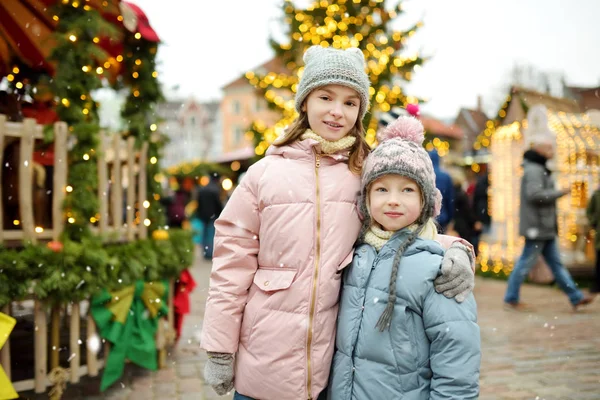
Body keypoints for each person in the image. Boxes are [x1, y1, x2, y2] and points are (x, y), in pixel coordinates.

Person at [200, 45, 475, 400]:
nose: (336, 111)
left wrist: (456, 250)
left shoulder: (364, 174)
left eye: (350, 102)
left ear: (360, 110)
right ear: (305, 102)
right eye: (326, 97)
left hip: (329, 372)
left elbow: (403, 226)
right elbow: (230, 267)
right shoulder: (263, 175)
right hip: (263, 363)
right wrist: (220, 348)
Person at [328, 116, 480, 399]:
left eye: (407, 189)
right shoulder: (354, 253)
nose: (393, 200)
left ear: (426, 201)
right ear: (366, 199)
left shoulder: (439, 267)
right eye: (382, 189)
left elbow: (456, 350)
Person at [504, 135, 594, 311]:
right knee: (525, 263)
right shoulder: (535, 170)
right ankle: (511, 297)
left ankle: (575, 297)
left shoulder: (536, 167)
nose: (552, 152)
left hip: (542, 228)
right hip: (537, 228)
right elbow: (534, 195)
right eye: (549, 148)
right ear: (539, 150)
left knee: (554, 264)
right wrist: (560, 192)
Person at [194, 173, 223, 259]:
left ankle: (205, 251)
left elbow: (198, 203)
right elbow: (218, 204)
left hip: (203, 215)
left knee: (204, 234)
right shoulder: (215, 190)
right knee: (210, 235)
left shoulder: (202, 189)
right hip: (212, 215)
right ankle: (209, 253)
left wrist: (199, 213)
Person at [428, 149, 454, 233]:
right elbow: (450, 199)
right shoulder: (446, 176)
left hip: (427, 217)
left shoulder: (425, 175)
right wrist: (450, 217)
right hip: (442, 216)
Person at [450, 169, 477, 244]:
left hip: (455, 224)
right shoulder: (461, 194)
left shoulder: (451, 193)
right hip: (463, 225)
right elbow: (467, 210)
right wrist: (474, 221)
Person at [586, 186, 600, 293]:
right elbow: (589, 211)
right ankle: (597, 285)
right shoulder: (596, 194)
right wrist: (594, 222)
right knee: (599, 261)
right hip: (599, 234)